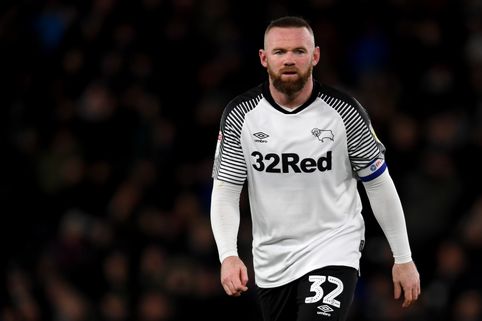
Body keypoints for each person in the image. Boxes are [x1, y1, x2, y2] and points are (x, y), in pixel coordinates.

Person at [209, 16, 420, 321]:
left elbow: (378, 183)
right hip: (271, 261)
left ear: (315, 56)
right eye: (280, 52)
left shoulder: (344, 113)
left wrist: (403, 257)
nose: (290, 60)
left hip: (333, 247)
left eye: (299, 51)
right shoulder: (241, 115)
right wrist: (228, 254)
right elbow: (226, 191)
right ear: (263, 58)